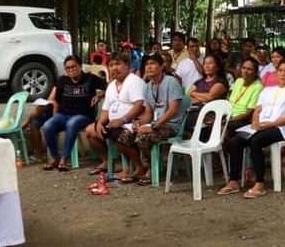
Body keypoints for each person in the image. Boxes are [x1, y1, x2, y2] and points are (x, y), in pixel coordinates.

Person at [217, 59, 285, 199]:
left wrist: (269, 124)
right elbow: (257, 110)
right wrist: (255, 123)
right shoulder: (267, 90)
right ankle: (234, 181)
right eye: (280, 71)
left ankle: (259, 183)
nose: (282, 74)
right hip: (260, 126)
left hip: (280, 129)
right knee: (235, 140)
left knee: (256, 141)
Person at [121, 53, 187, 184]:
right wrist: (139, 123)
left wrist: (153, 126)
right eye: (146, 64)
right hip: (156, 123)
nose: (149, 67)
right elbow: (148, 113)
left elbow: (173, 110)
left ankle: (151, 171)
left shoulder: (171, 82)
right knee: (125, 136)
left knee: (143, 137)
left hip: (171, 125)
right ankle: (140, 167)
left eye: (153, 64)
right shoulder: (148, 86)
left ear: (162, 66)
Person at [83, 52, 147, 182]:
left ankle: (139, 167)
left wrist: (122, 119)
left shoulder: (134, 81)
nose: (114, 68)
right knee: (91, 130)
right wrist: (100, 123)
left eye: (118, 64)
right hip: (114, 124)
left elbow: (139, 106)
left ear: (127, 66)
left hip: (131, 123)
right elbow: (106, 109)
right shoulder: (111, 85)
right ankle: (107, 161)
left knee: (120, 135)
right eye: (111, 65)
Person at [41, 55, 106, 171]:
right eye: (68, 68)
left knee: (72, 123)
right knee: (48, 125)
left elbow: (108, 85)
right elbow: (56, 101)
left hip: (84, 116)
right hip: (63, 115)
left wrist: (99, 95)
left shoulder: (90, 78)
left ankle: (64, 159)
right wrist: (55, 117)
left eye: (74, 67)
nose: (71, 70)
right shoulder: (62, 81)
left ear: (80, 66)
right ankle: (55, 158)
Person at [183, 54, 229, 139]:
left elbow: (210, 97)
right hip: (195, 111)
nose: (206, 66)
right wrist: (200, 98)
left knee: (186, 120)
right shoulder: (199, 81)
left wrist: (194, 94)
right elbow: (188, 96)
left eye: (210, 63)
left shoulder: (220, 82)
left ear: (218, 67)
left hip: (210, 115)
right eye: (205, 63)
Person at [226, 57, 264, 136]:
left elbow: (248, 113)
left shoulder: (258, 86)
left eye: (249, 69)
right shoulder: (238, 81)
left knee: (225, 127)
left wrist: (230, 120)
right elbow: (229, 100)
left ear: (255, 72)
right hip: (228, 115)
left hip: (242, 119)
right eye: (244, 68)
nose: (245, 71)